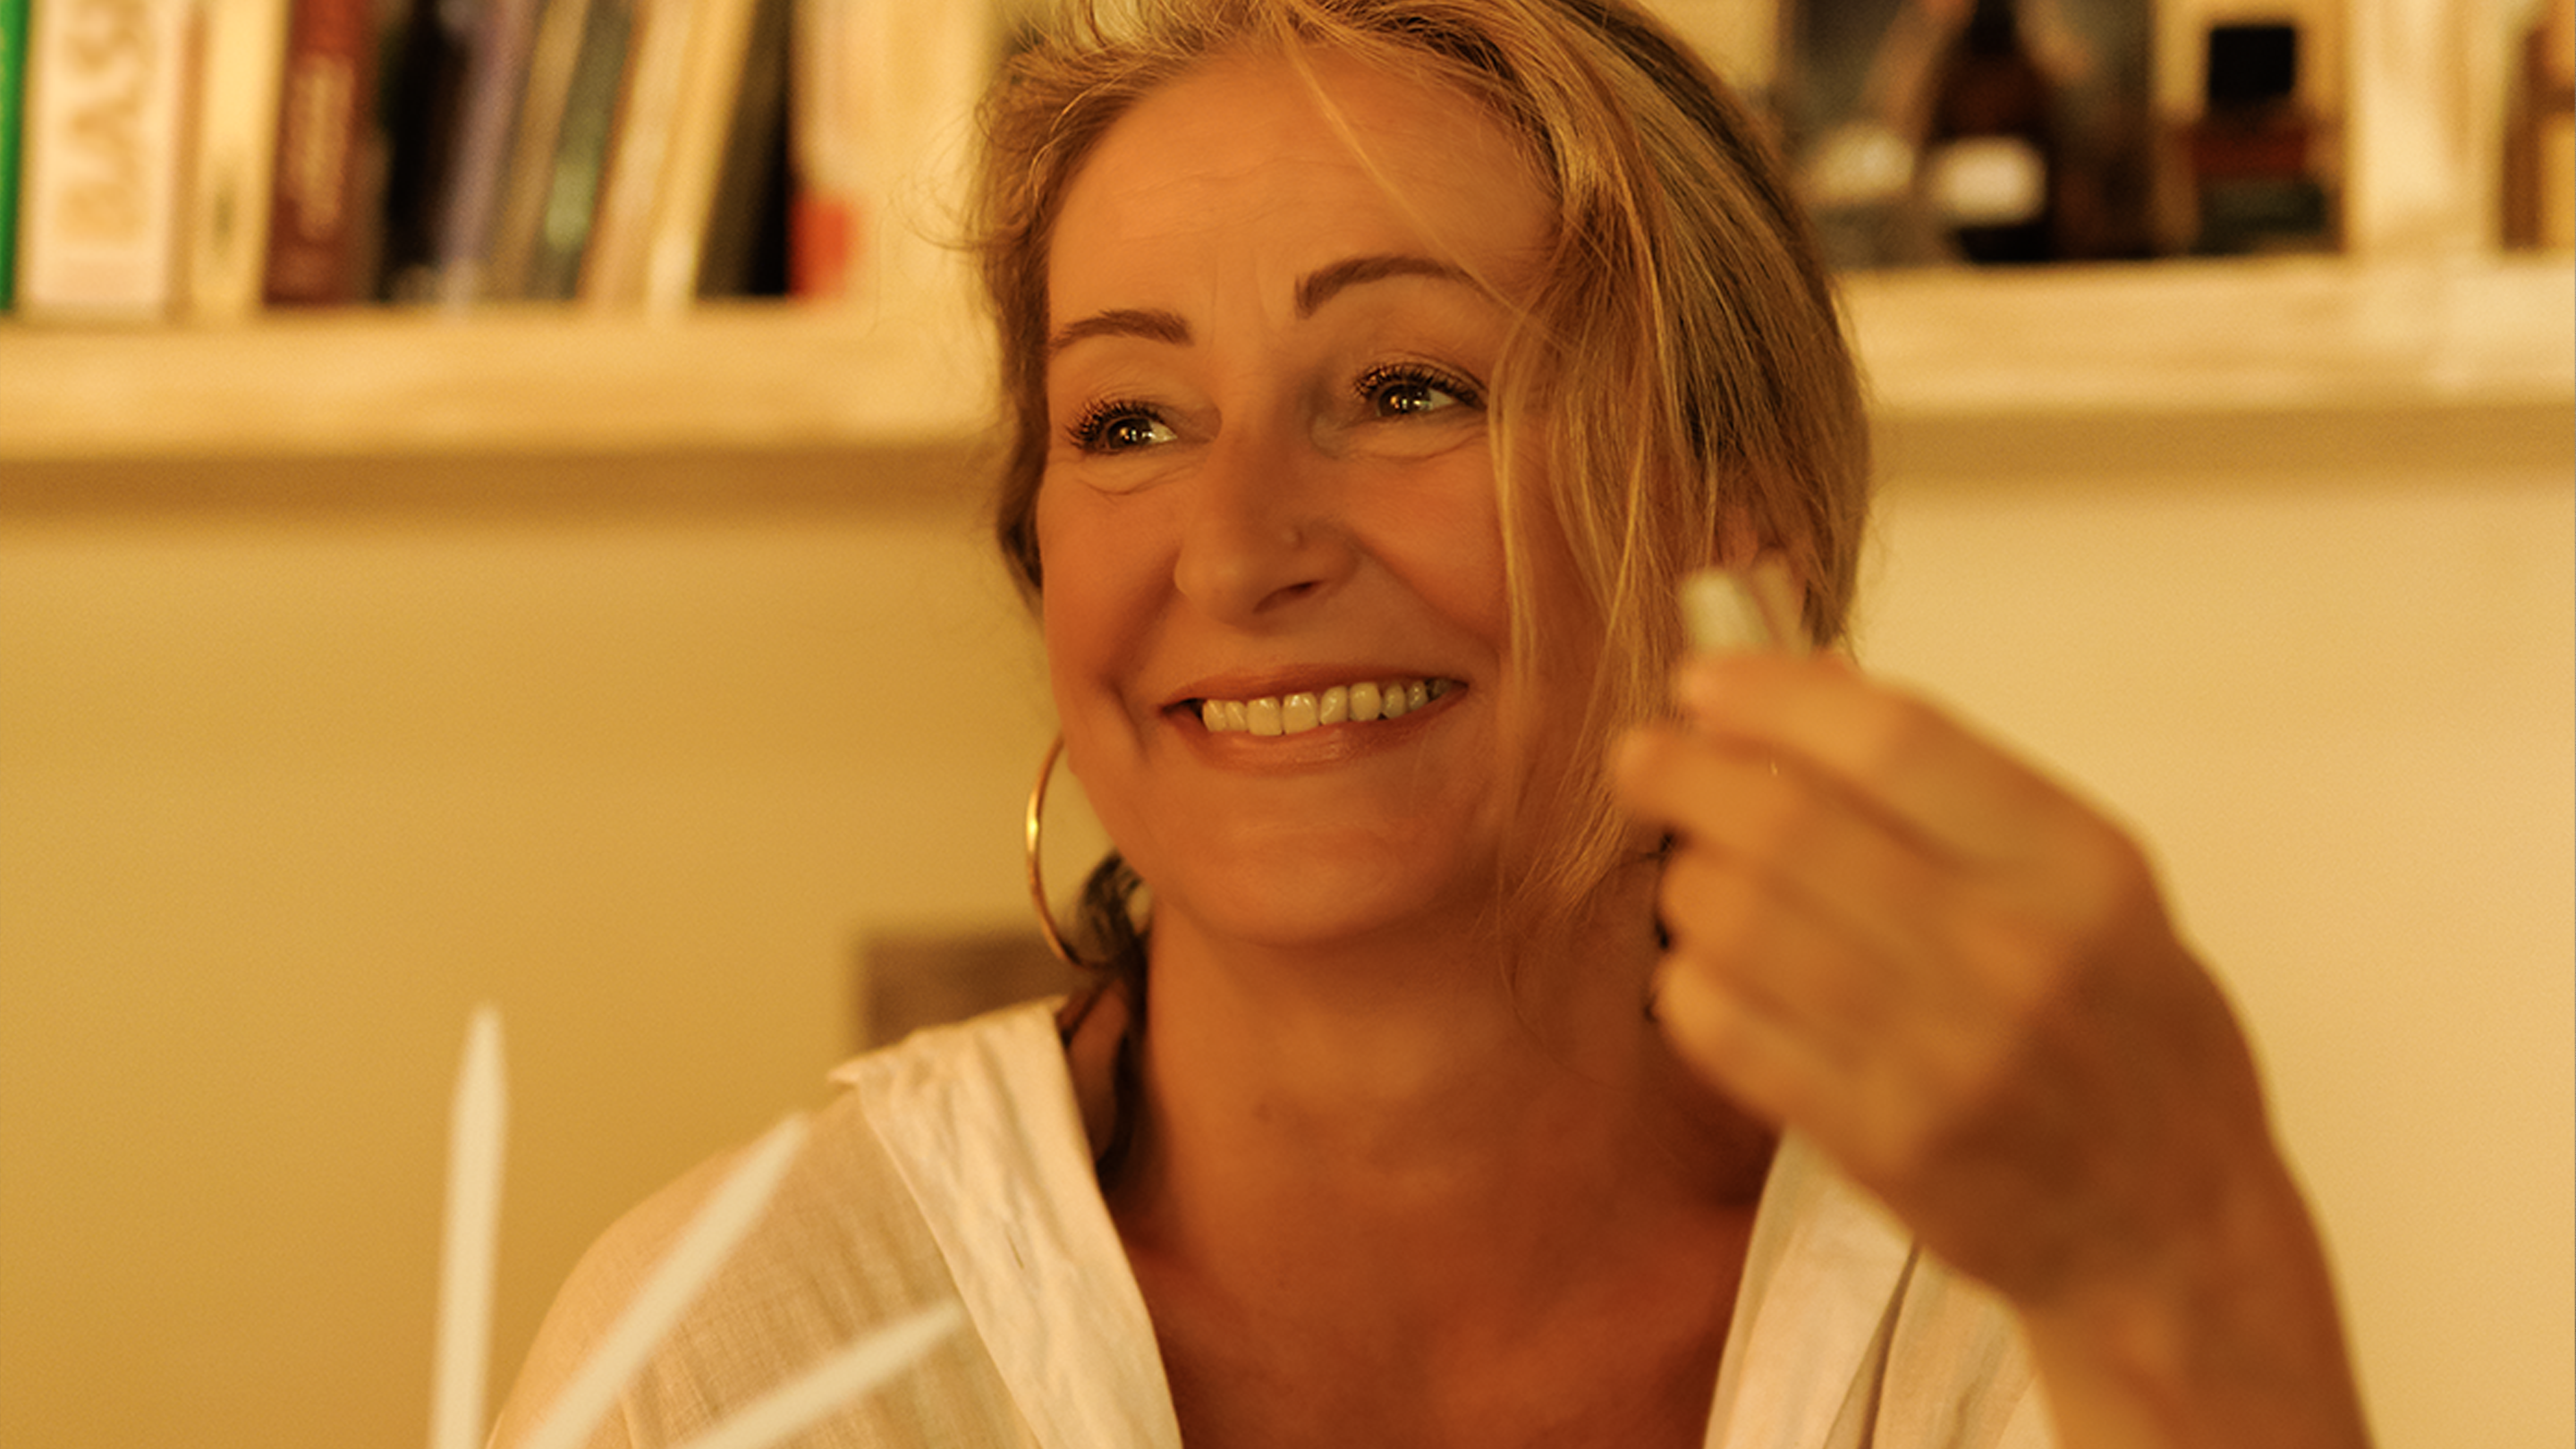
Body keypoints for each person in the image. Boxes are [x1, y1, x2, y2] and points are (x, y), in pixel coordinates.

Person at [489, 2, 2376, 1445]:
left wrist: (2190, 1264)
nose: (1235, 553)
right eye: (1130, 422)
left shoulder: (2016, 1322)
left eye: (1402, 387)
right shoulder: (747, 1345)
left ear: (1739, 518)